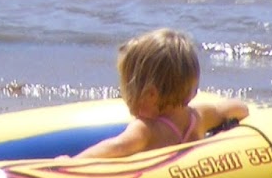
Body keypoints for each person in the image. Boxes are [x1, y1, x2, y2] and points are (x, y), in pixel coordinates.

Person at [74, 28, 249, 160]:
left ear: (150, 95)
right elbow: (237, 109)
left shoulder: (146, 130)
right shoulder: (199, 117)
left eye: (128, 88)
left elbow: (116, 147)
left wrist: (70, 162)